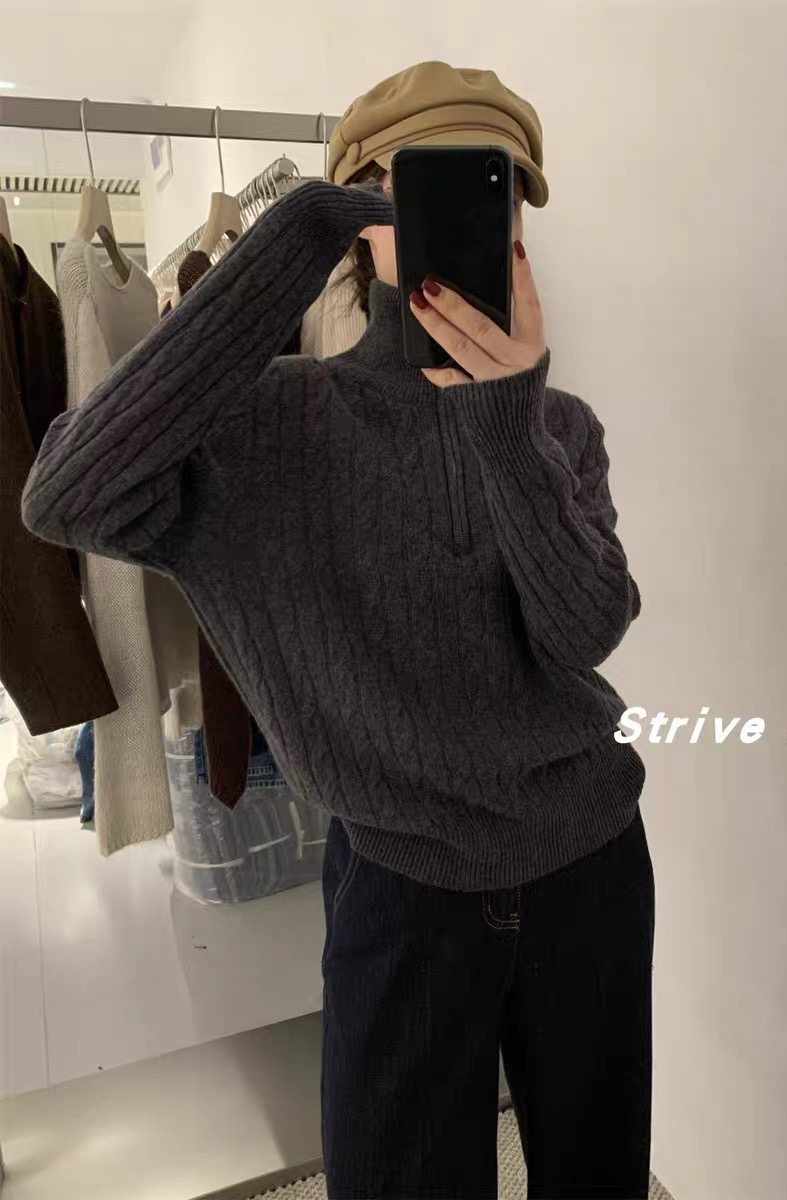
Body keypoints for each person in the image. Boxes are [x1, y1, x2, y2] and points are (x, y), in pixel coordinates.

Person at [21, 59, 654, 1200]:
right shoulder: (264, 428)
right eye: (425, 188)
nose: (483, 217)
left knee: (597, 1176)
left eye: (503, 190)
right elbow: (66, 498)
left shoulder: (558, 427)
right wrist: (295, 235)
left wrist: (505, 422)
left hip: (592, 865)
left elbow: (584, 634)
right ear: (362, 216)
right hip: (403, 892)